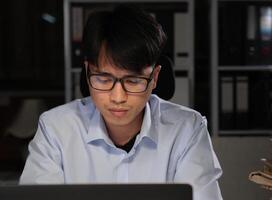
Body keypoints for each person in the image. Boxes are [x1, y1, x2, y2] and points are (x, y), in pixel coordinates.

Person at [20, 4, 223, 200]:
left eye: (133, 81)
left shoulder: (187, 130)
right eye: (104, 79)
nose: (118, 97)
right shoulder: (56, 129)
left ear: (154, 78)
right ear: (88, 70)